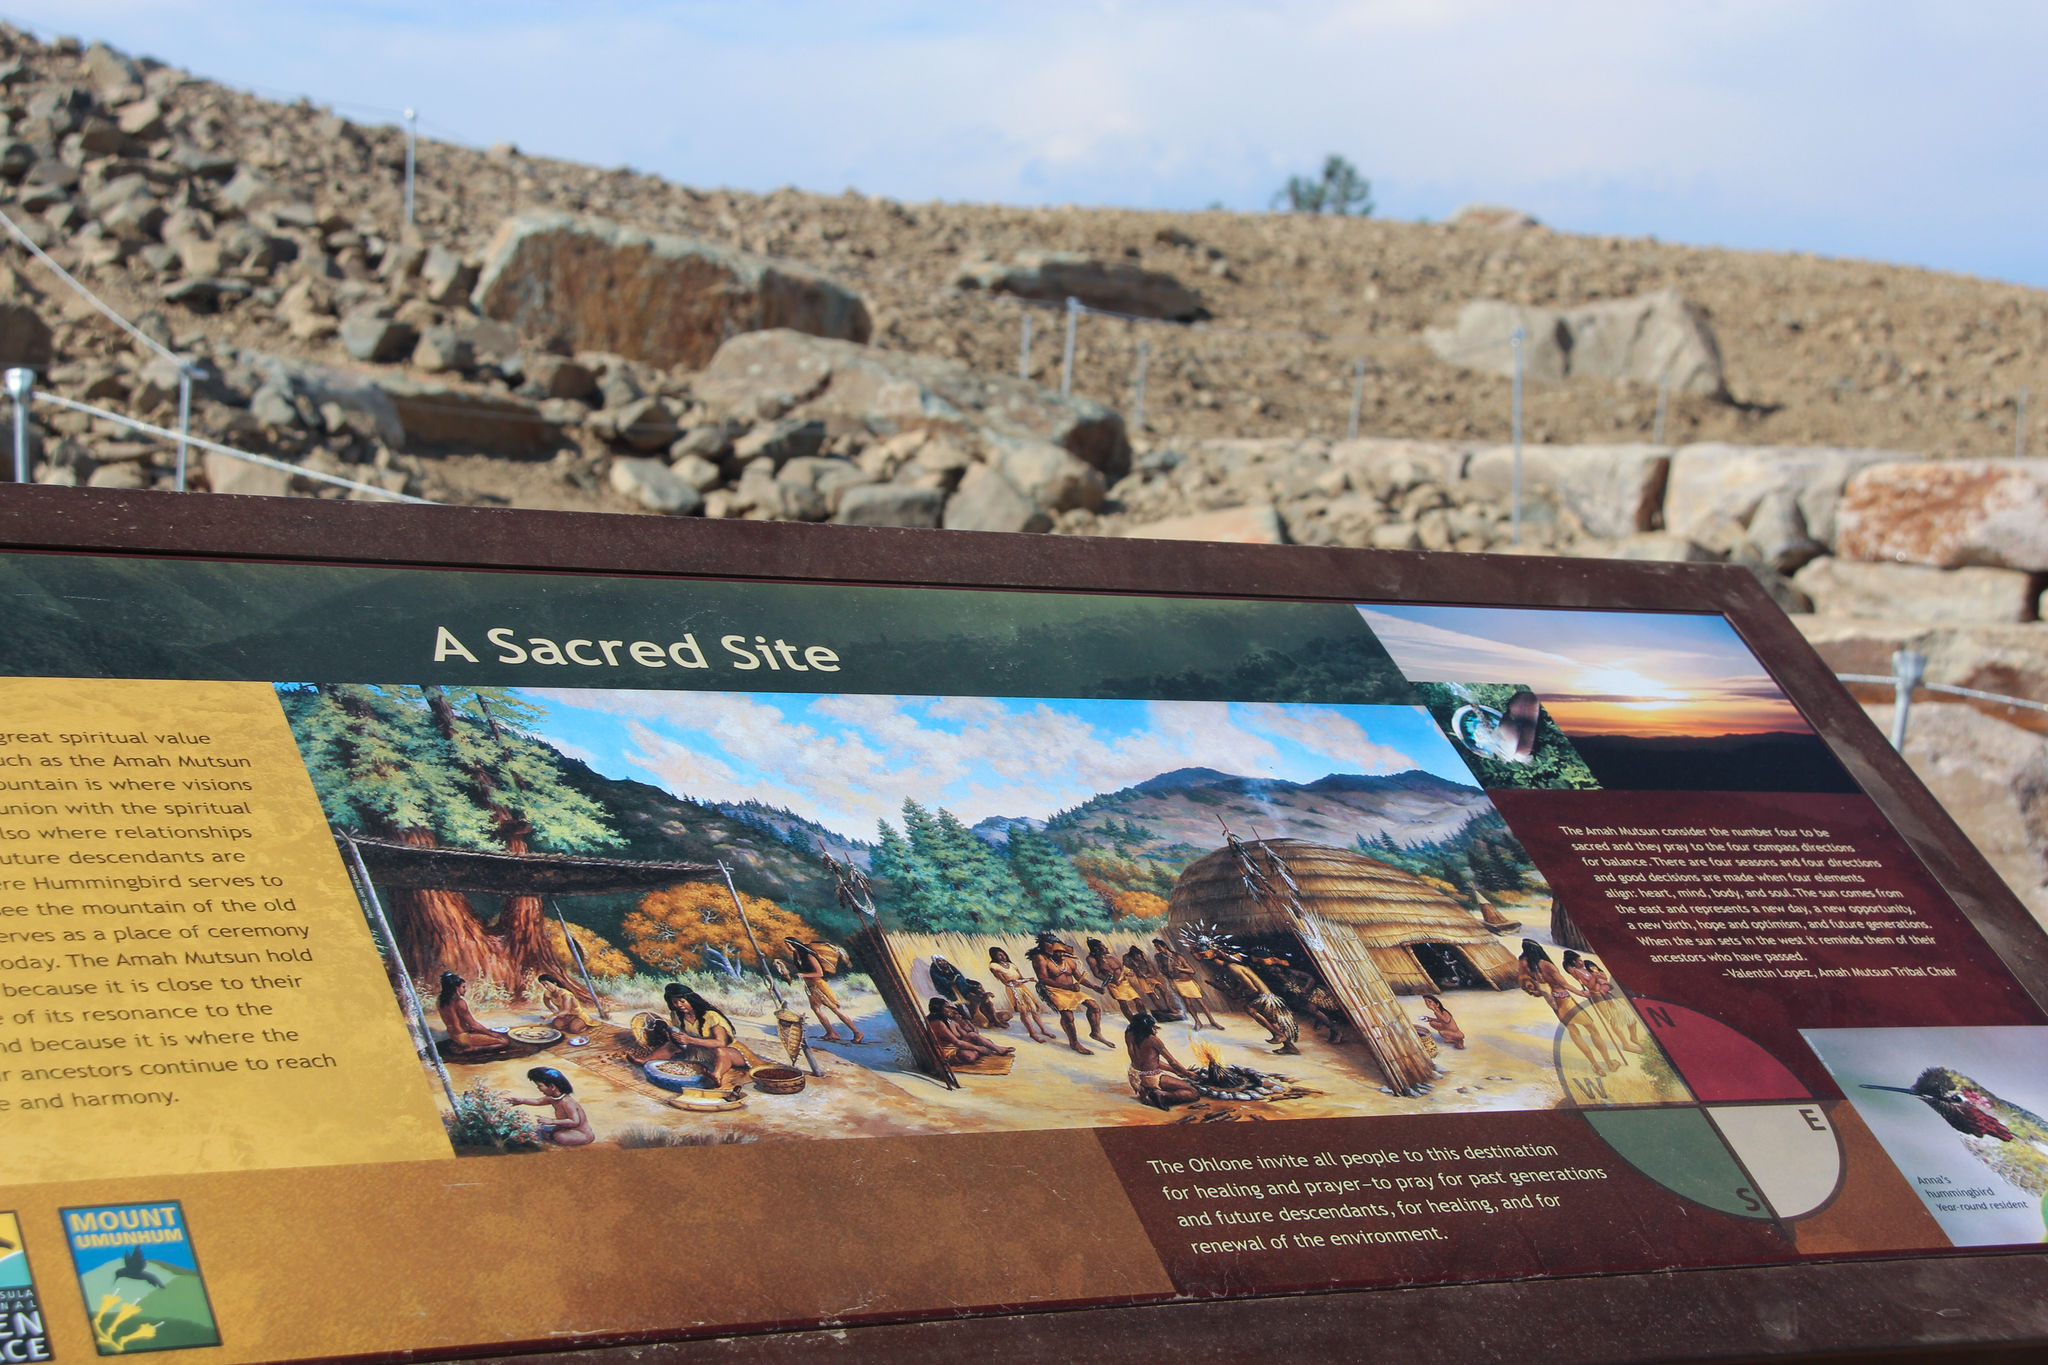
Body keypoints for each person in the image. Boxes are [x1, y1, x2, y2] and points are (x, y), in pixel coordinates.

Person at [1520, 939, 1618, 1076]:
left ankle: (1596, 1065)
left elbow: (1526, 983)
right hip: (1566, 1000)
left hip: (1555, 1004)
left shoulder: (1529, 967)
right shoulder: (1547, 965)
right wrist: (1582, 993)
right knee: (1592, 1029)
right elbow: (1565, 985)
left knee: (1574, 1032)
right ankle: (1608, 1063)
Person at [1200, 947, 1299, 1055]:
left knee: (1249, 1009)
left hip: (1266, 997)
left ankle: (1277, 1034)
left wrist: (1239, 994)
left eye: (1215, 961)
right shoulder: (1239, 966)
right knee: (1267, 1019)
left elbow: (1253, 989)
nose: (1216, 964)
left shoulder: (1233, 967)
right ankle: (1289, 1046)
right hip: (1266, 996)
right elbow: (1243, 984)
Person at [1028, 931, 1108, 1055]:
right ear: (1045, 946)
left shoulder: (1068, 960)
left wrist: (1094, 987)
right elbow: (1043, 979)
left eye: (1060, 949)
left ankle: (1095, 1033)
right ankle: (1074, 1043)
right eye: (1052, 946)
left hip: (1071, 989)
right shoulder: (1040, 958)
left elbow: (1078, 976)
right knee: (1068, 1017)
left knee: (1094, 1007)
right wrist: (1067, 987)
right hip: (1054, 990)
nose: (1059, 952)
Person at [662, 983, 752, 1086]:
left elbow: (721, 1042)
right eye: (674, 1002)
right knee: (670, 1046)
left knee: (721, 1052)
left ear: (691, 1000)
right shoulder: (676, 1015)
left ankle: (716, 1076)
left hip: (728, 1052)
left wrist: (690, 1040)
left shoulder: (711, 1016)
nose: (679, 1005)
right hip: (700, 1054)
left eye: (682, 1001)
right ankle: (647, 1062)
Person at [786, 937, 864, 1043]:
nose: (787, 947)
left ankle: (857, 1032)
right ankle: (831, 1032)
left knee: (834, 1009)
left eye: (788, 945)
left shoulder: (809, 956)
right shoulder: (797, 955)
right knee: (816, 1009)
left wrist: (803, 975)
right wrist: (784, 965)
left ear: (795, 945)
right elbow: (801, 969)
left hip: (819, 985)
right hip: (810, 986)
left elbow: (819, 973)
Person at [1124, 1012, 1202, 1109]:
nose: (1155, 1029)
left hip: (1134, 1075)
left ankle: (1145, 1090)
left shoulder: (1129, 1034)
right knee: (1193, 1092)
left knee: (1175, 1084)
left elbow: (1149, 1061)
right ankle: (1161, 1095)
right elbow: (1172, 1062)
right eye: (1153, 1027)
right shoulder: (1153, 1040)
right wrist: (1187, 1073)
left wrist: (1175, 1071)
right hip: (1151, 1078)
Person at [1572, 954, 1645, 1055]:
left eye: (1581, 960)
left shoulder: (1588, 965)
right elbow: (1590, 985)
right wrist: (1594, 979)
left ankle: (1634, 1038)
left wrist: (1598, 977)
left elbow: (1603, 977)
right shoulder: (1577, 972)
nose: (1581, 962)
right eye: (1578, 961)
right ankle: (1625, 1044)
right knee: (1613, 1021)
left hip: (1607, 994)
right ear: (1574, 962)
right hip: (1598, 998)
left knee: (1631, 1020)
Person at [506, 1066, 594, 1147]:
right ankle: (548, 1136)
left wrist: (551, 1121)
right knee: (541, 1129)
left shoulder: (567, 1102)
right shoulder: (553, 1098)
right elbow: (538, 1101)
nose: (538, 1089)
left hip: (581, 1133)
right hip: (567, 1129)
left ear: (552, 1086)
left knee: (558, 1136)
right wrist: (521, 1101)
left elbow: (575, 1121)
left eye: (540, 1086)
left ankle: (548, 1138)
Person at [1153, 937, 1221, 1030]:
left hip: (1188, 981)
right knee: (1188, 1003)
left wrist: (1180, 969)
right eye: (1156, 947)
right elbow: (1162, 970)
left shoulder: (1177, 956)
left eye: (1158, 946)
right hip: (1177, 982)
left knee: (1201, 1003)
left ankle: (1212, 1021)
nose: (1157, 948)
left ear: (1164, 946)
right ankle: (1197, 1022)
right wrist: (1169, 972)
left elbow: (1192, 970)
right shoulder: (1158, 957)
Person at [989, 946, 1053, 1043]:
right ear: (995, 957)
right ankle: (1033, 1033)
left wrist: (1026, 980)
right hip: (1013, 990)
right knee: (1023, 1011)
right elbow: (1005, 982)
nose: (1003, 956)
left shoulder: (1012, 965)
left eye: (1003, 954)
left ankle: (1043, 1030)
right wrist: (1014, 982)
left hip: (1022, 988)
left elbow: (1021, 978)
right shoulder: (994, 966)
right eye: (999, 955)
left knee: (1033, 1009)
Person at [926, 997, 1015, 1066]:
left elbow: (967, 1035)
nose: (950, 1009)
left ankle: (998, 1049)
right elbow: (957, 1042)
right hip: (949, 1052)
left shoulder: (949, 1022)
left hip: (957, 1047)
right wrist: (978, 1048)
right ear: (938, 1008)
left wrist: (970, 1030)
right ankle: (985, 1050)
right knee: (970, 1056)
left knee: (976, 1038)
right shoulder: (938, 1023)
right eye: (947, 1007)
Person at [436, 971, 508, 1053]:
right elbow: (473, 1025)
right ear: (456, 988)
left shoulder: (440, 1000)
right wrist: (492, 1034)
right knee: (503, 1041)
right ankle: (472, 1048)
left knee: (483, 1034)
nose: (465, 990)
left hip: (452, 1035)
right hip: (462, 1037)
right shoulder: (459, 1002)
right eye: (463, 987)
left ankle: (463, 1044)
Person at [929, 955, 1004, 1030]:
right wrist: (947, 982)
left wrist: (958, 980)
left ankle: (993, 1020)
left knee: (974, 1003)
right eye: (939, 961)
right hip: (949, 991)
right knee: (960, 1006)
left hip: (960, 987)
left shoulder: (949, 966)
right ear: (936, 962)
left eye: (943, 960)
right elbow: (938, 980)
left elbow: (959, 975)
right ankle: (970, 1023)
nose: (942, 962)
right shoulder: (934, 969)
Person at [1087, 937, 1146, 1021]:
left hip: (1124, 983)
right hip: (1113, 985)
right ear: (1097, 949)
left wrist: (1128, 972)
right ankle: (1133, 1023)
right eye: (1103, 946)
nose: (1106, 948)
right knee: (1123, 1004)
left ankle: (1146, 1021)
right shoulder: (1092, 960)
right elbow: (1097, 974)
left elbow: (1122, 969)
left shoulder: (1112, 958)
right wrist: (1112, 980)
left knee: (1139, 1001)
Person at [1122, 943, 1182, 1021]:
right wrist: (1132, 969)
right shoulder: (1131, 962)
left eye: (1140, 954)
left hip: (1149, 978)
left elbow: (1153, 973)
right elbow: (1125, 964)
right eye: (1137, 955)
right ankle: (1161, 1010)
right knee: (1152, 995)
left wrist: (1147, 975)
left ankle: (1170, 1007)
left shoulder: (1146, 962)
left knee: (1162, 989)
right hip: (1141, 979)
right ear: (1134, 956)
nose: (1139, 956)